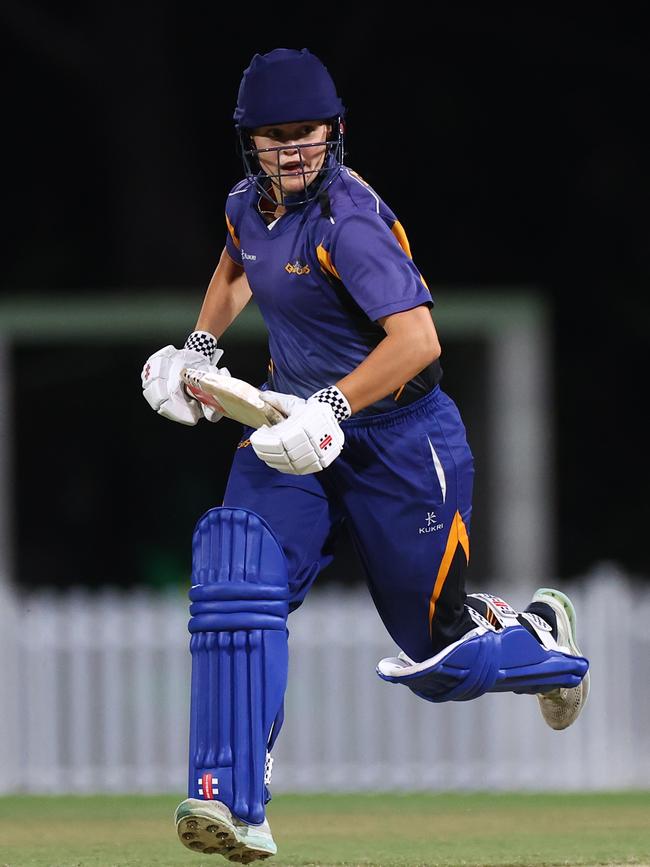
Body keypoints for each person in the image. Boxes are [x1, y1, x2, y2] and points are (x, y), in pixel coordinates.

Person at [141, 48, 590, 863]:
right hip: (289, 427)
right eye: (275, 137)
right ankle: (236, 801)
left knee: (439, 660)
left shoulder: (348, 220)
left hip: (400, 443)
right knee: (236, 569)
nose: (293, 151)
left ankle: (542, 641)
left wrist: (338, 404)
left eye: (306, 133)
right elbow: (237, 258)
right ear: (252, 144)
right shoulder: (249, 203)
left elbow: (418, 340)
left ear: (334, 131)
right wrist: (199, 351)